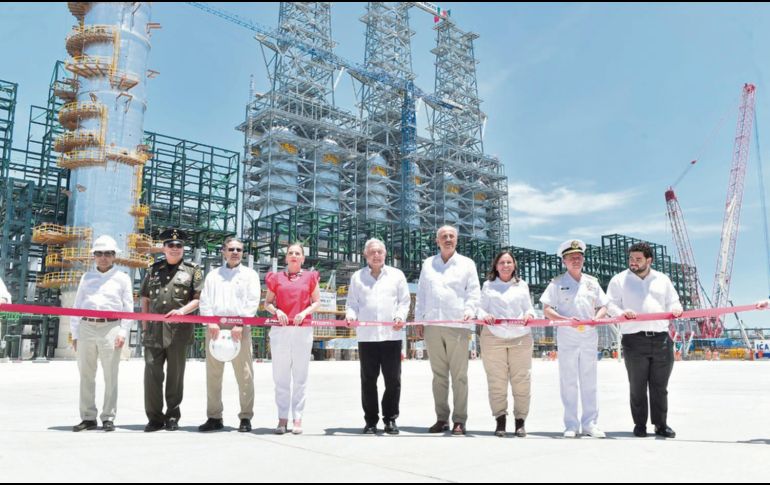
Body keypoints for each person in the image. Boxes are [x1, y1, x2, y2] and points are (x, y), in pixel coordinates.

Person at [607, 242, 683, 439]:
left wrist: (676, 309)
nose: (633, 262)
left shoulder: (662, 279)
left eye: (638, 259)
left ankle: (661, 425)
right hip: (634, 339)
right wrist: (622, 312)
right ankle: (640, 424)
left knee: (660, 386)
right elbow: (610, 305)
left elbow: (673, 301)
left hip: (661, 339)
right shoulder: (619, 280)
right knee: (637, 386)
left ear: (649, 260)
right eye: (631, 258)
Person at [414, 225, 481, 436]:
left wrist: (470, 311)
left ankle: (459, 420)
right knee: (438, 375)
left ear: (457, 240)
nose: (448, 239)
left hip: (458, 326)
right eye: (444, 236)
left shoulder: (467, 264)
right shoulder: (428, 264)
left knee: (459, 376)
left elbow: (474, 293)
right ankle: (441, 418)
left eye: (452, 236)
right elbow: (422, 294)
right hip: (433, 325)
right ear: (437, 241)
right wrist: (418, 321)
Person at [540, 239, 609, 439]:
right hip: (567, 336)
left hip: (588, 336)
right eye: (571, 258)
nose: (576, 260)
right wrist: (565, 320)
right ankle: (571, 424)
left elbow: (604, 305)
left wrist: (597, 318)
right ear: (564, 261)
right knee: (568, 381)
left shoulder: (592, 282)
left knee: (590, 381)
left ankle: (590, 424)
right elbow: (547, 309)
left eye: (579, 257)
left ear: (583, 259)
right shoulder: (557, 283)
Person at [345, 238, 411, 435]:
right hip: (367, 338)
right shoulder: (357, 277)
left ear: (385, 254)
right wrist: (350, 316)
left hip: (391, 336)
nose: (376, 255)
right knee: (368, 381)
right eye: (372, 252)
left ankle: (390, 419)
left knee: (393, 380)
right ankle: (371, 421)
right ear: (365, 255)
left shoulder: (396, 275)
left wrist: (400, 316)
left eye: (380, 252)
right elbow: (352, 303)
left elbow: (404, 301)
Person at [140, 228, 203, 432]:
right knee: (152, 373)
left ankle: (172, 416)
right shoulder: (153, 269)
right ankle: (154, 418)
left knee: (175, 376)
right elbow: (145, 299)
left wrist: (182, 311)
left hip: (178, 331)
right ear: (164, 247)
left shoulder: (193, 270)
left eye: (179, 245)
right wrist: (144, 327)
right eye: (170, 245)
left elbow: (198, 299)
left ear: (183, 248)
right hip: (154, 331)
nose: (175, 248)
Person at [70, 235, 134, 432]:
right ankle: (88, 417)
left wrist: (123, 332)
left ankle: (108, 417)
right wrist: (75, 334)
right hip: (86, 326)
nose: (103, 257)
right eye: (99, 253)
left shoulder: (122, 278)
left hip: (111, 327)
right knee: (86, 374)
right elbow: (77, 305)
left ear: (114, 256)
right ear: (94, 256)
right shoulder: (86, 277)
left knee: (110, 374)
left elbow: (128, 307)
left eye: (108, 253)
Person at [198, 237, 261, 432]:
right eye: (231, 249)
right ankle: (214, 416)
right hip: (215, 327)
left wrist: (241, 323)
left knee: (244, 374)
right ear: (223, 252)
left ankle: (245, 417)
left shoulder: (250, 275)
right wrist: (210, 321)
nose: (235, 252)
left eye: (239, 250)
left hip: (239, 328)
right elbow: (205, 299)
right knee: (213, 374)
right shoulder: (213, 275)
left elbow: (253, 300)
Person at [264, 243, 321, 435]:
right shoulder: (276, 278)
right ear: (286, 257)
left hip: (302, 330)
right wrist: (277, 311)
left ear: (303, 258)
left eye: (298, 253)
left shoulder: (310, 277)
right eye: (291, 253)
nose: (294, 255)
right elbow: (267, 303)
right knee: (280, 376)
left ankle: (298, 417)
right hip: (280, 330)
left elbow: (317, 302)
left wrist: (304, 313)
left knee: (300, 376)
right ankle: (282, 418)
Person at [477, 250, 535, 438]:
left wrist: (529, 315)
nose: (505, 265)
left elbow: (528, 308)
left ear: (514, 265)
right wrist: (485, 315)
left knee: (522, 380)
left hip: (520, 337)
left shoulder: (522, 285)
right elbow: (480, 308)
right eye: (502, 262)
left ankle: (520, 421)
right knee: (496, 381)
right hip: (494, 337)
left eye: (509, 262)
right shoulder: (488, 285)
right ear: (496, 265)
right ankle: (500, 420)